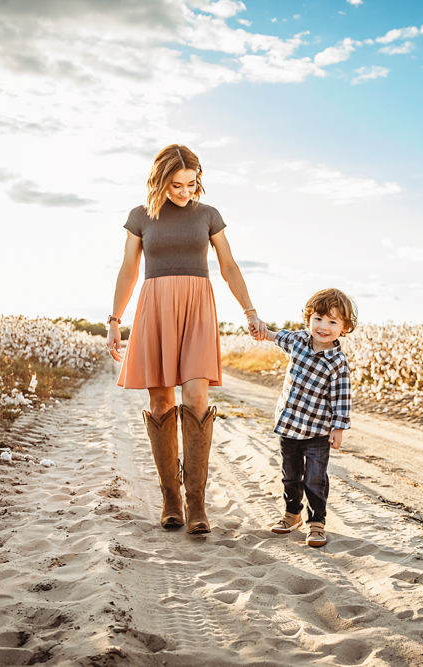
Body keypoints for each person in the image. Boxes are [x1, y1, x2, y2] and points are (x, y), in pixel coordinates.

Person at [107, 144, 266, 534]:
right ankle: (171, 499)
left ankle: (197, 503)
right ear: (160, 181)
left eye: (191, 184)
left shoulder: (208, 215)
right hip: (155, 305)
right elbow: (129, 269)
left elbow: (228, 265)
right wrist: (114, 320)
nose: (184, 192)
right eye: (176, 185)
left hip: (198, 306)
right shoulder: (140, 217)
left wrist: (250, 311)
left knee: (196, 396)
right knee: (160, 399)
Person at [264, 288, 356, 548]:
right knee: (290, 475)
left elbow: (341, 397)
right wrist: (261, 330)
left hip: (317, 431)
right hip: (289, 424)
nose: (323, 326)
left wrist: (338, 428)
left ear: (344, 328)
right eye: (318, 318)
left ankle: (317, 522)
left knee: (315, 478)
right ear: (308, 319)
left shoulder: (337, 362)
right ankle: (292, 515)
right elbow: (275, 336)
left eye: (332, 321)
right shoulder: (298, 341)